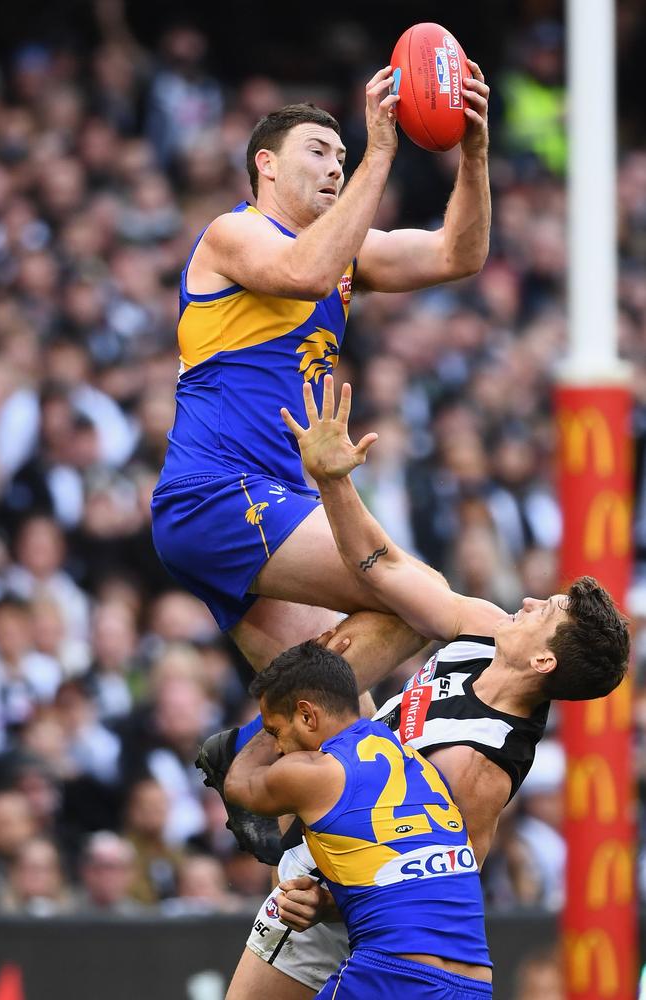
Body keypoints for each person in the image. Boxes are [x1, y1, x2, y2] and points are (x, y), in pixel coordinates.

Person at [215, 375, 628, 998]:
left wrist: (325, 900)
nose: (529, 599)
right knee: (406, 598)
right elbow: (386, 567)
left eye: (546, 611)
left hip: (350, 901)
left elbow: (436, 889)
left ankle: (262, 744)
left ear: (544, 663)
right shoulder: (487, 629)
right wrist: (333, 480)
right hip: (332, 820)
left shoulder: (480, 766)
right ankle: (272, 730)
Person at [151, 63, 491, 672]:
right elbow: (303, 275)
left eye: (342, 153)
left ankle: (243, 758)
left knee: (331, 708)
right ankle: (533, 642)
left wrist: (474, 153)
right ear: (267, 164)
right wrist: (379, 152)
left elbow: (457, 254)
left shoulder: (345, 255)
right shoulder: (233, 233)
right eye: (319, 151)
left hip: (274, 495)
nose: (336, 165)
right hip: (220, 492)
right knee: (417, 593)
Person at [224, 641, 493, 1000]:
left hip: (391, 973)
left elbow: (237, 784)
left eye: (275, 731)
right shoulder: (418, 766)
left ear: (306, 715)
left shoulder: (316, 774)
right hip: (473, 983)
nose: (276, 747)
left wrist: (253, 733)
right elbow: (401, 883)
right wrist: (324, 905)